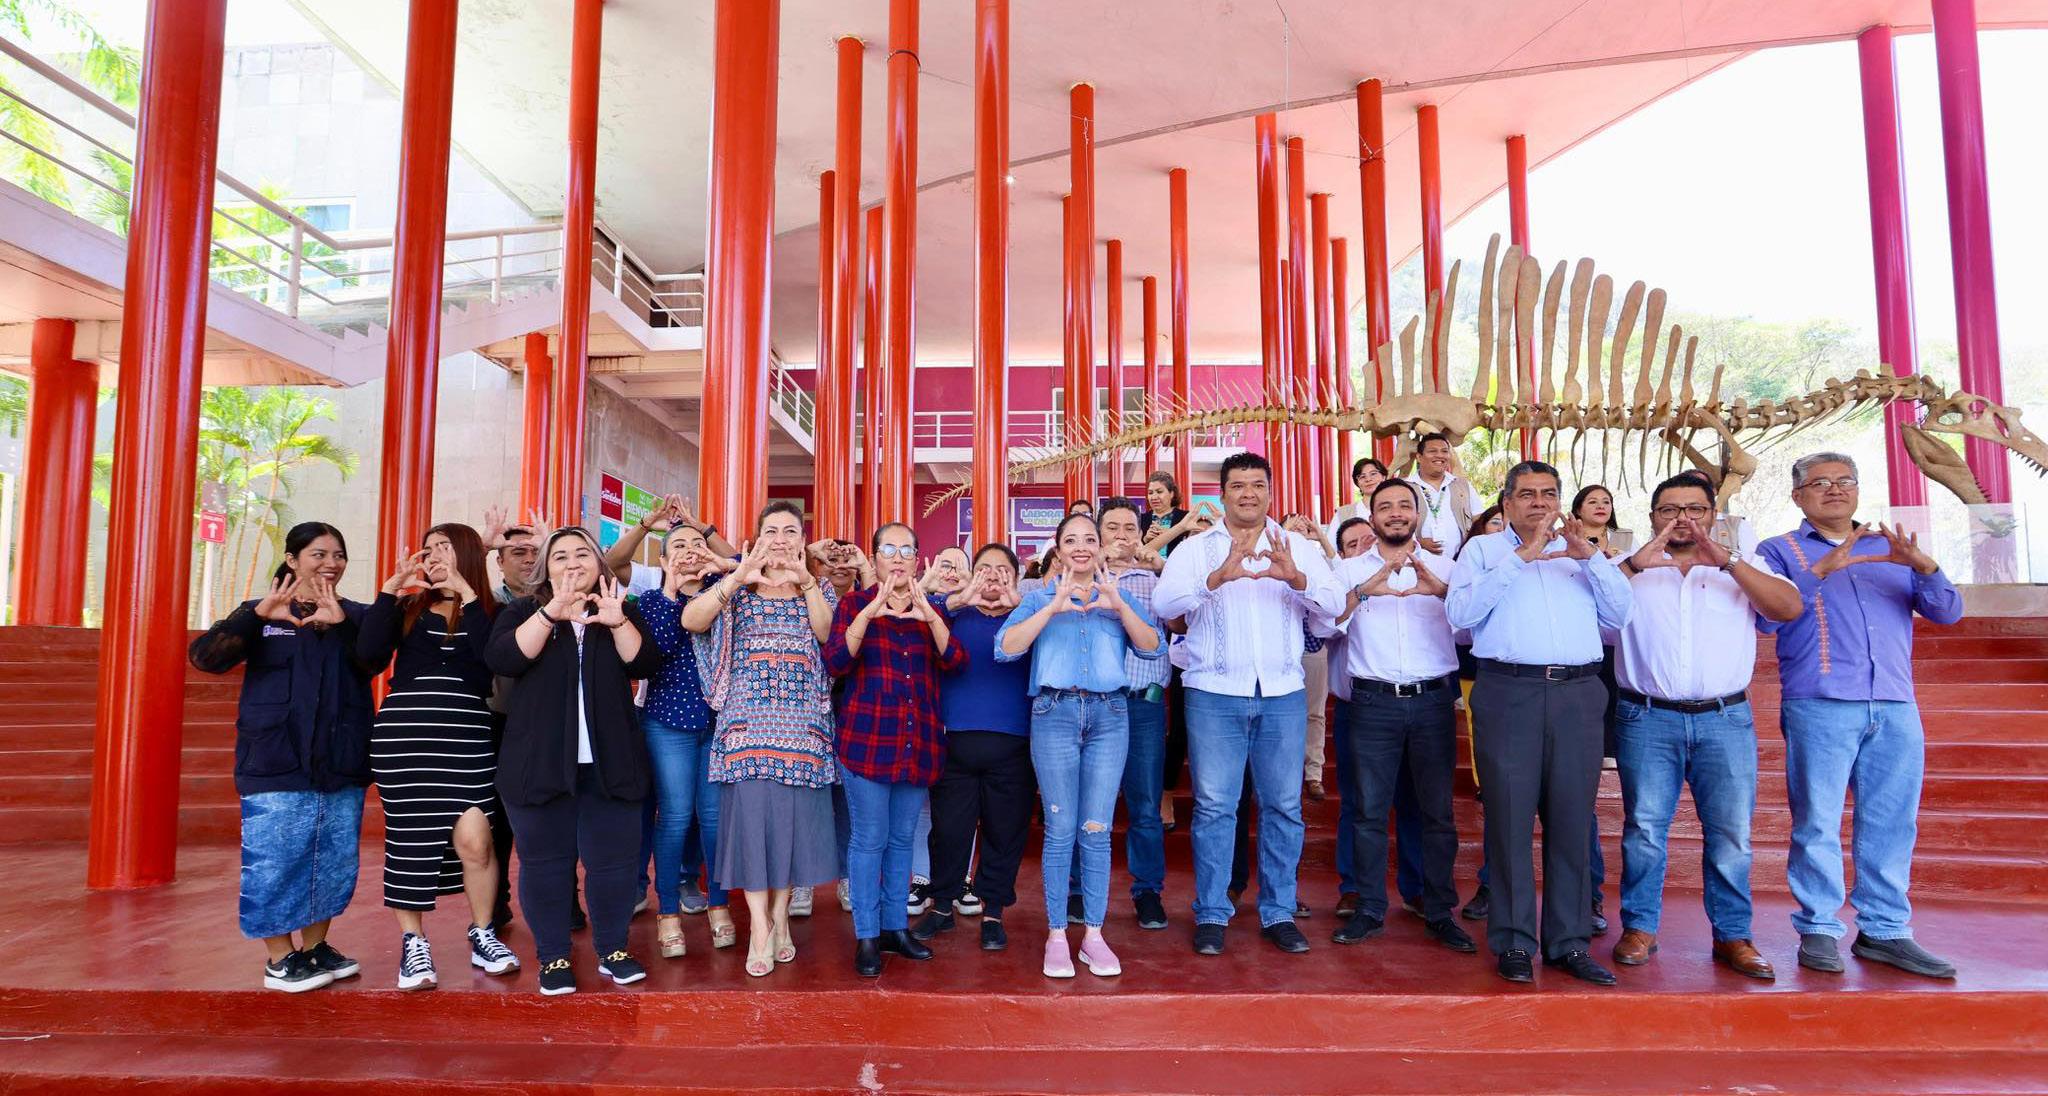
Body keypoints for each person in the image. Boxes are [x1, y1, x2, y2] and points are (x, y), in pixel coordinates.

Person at [1754, 452, 1963, 979]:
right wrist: (1821, 571)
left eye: (1845, 480)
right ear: (1798, 496)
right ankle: (1819, 928)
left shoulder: (1890, 548)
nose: (1834, 489)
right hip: (1820, 702)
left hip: (1894, 702)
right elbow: (1768, 619)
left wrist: (1924, 566)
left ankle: (1885, 931)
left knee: (1893, 821)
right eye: (1819, 482)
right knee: (1817, 820)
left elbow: (1948, 612)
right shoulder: (1778, 550)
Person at [1609, 474, 1803, 980]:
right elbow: (1585, 613)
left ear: (1713, 515)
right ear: (1652, 517)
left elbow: (1788, 608)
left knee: (1731, 833)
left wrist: (1730, 563)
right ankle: (1639, 927)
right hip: (1646, 716)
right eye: (1669, 509)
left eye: (1695, 509)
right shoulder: (1627, 568)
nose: (1683, 519)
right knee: (1644, 829)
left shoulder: (1741, 565)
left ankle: (1733, 934)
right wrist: (1632, 567)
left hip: (1724, 719)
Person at [1446, 461, 1631, 986]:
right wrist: (1520, 558)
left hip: (1578, 693)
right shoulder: (1484, 551)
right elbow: (1460, 615)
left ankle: (1569, 943)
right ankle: (1513, 941)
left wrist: (1590, 560)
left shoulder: (1584, 554)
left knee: (1572, 820)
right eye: (1526, 494)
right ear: (1506, 504)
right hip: (1509, 692)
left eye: (1548, 493)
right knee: (1509, 819)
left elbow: (1622, 616)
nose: (1539, 503)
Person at [1154, 451, 1343, 957]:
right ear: (1222, 494)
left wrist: (1296, 578)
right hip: (1214, 694)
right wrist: (1214, 578)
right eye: (1238, 485)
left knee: (1283, 806)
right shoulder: (1196, 549)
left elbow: (1335, 606)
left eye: (1257, 484)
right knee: (1215, 807)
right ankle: (1212, 912)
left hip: (1282, 693)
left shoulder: (1296, 547)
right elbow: (1164, 606)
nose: (1248, 494)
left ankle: (1278, 911)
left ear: (1269, 491)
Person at [191, 522, 371, 993]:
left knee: (332, 861)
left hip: (340, 760)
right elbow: (207, 658)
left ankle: (315, 947)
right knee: (276, 862)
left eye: (338, 554)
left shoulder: (355, 615)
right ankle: (279, 958)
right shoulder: (263, 612)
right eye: (318, 554)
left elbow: (373, 660)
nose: (331, 563)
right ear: (292, 560)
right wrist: (255, 617)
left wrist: (343, 624)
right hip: (275, 760)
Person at [486, 527, 660, 996]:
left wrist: (616, 622)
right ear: (546, 569)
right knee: (545, 863)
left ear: (599, 564)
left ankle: (613, 949)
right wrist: (551, 613)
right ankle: (553, 956)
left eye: (582, 553)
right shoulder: (523, 611)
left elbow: (644, 664)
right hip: (538, 763)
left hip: (611, 762)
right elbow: (505, 658)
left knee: (614, 864)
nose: (572, 562)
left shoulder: (621, 609)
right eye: (560, 556)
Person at [999, 512, 1164, 977]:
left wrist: (1119, 605)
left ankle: (1093, 935)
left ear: (1099, 547)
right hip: (1054, 713)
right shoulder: (1038, 597)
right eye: (1070, 540)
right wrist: (1052, 608)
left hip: (1110, 716)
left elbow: (1153, 646)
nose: (1081, 547)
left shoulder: (1118, 597)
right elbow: (1005, 647)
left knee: (1096, 829)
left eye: (1089, 539)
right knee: (1059, 828)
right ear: (1058, 549)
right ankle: (1056, 934)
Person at [682, 501, 841, 977]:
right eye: (771, 530)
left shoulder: (819, 588)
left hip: (803, 729)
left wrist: (807, 581)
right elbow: (693, 621)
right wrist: (737, 576)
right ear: (756, 538)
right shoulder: (736, 586)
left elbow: (827, 635)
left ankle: (779, 916)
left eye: (790, 531)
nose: (780, 539)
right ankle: (759, 925)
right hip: (746, 729)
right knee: (751, 831)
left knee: (788, 832)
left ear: (802, 541)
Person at [359, 523, 518, 991]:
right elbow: (368, 656)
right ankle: (414, 943)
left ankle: (483, 933)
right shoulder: (407, 608)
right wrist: (390, 591)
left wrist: (467, 593)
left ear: (467, 553)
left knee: (477, 839)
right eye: (428, 550)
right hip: (405, 738)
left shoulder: (492, 611)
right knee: (410, 839)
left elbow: (494, 659)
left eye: (443, 548)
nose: (432, 556)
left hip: (467, 737)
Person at [1327, 479, 1476, 954]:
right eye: (1385, 506)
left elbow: (1473, 630)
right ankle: (1369, 909)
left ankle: (1439, 911)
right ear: (1371, 517)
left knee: (1437, 814)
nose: (1395, 512)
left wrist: (1443, 592)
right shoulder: (1347, 569)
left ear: (1418, 514)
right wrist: (1362, 591)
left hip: (1433, 702)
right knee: (1369, 812)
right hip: (1372, 703)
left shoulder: (1447, 567)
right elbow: (1323, 625)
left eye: (1404, 505)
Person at [823, 521, 968, 977]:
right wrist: (871, 612)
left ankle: (894, 928)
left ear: (918, 560)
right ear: (874, 559)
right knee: (869, 839)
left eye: (907, 550)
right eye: (889, 549)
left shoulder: (931, 609)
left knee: (903, 839)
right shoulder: (854, 604)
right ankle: (867, 934)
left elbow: (955, 661)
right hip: (866, 742)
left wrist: (929, 616)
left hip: (917, 742)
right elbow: (836, 662)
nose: (899, 557)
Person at [914, 545, 1032, 951]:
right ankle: (942, 907)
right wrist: (958, 597)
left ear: (1016, 577)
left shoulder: (1029, 616)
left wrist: (1021, 606)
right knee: (948, 831)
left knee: (1005, 831)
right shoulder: (953, 613)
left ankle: (993, 912)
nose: (993, 576)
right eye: (983, 569)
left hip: (1014, 742)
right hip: (955, 742)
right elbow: (914, 615)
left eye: (1002, 570)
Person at [635, 525, 738, 959]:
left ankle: (719, 905)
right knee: (675, 817)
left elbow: (747, 566)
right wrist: (673, 590)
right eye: (678, 546)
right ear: (661, 561)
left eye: (697, 544)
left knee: (714, 819)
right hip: (668, 723)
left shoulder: (726, 591)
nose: (690, 551)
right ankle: (668, 912)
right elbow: (656, 651)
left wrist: (719, 563)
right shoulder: (650, 602)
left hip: (719, 722)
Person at [1097, 500, 1174, 931]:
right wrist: (1093, 564)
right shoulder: (1084, 576)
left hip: (1144, 704)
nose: (1121, 536)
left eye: (1129, 528)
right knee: (1092, 802)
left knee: (1145, 804)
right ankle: (1080, 890)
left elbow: (1181, 620)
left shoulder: (1157, 581)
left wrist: (1162, 565)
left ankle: (1147, 891)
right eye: (1112, 527)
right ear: (1099, 534)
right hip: (1096, 703)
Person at [1455, 502, 1504, 923]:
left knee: (1573, 808)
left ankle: (1586, 897)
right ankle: (1492, 884)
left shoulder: (1569, 553)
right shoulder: (1475, 557)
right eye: (1496, 522)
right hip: (1494, 678)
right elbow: (1460, 622)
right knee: (1500, 795)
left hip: (1564, 688)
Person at [1409, 433, 1482, 557]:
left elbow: (1479, 520)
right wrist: (1417, 543)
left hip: (1460, 561)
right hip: (1419, 561)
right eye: (1433, 451)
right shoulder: (1406, 488)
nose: (1440, 455)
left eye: (1444, 451)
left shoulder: (1462, 486)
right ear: (1419, 457)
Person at [1325, 457, 1389, 540]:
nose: (1368, 479)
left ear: (1383, 477)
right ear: (1357, 483)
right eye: (1362, 476)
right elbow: (1330, 544)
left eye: (1373, 474)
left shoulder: (1395, 509)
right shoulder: (1343, 514)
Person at [1572, 484, 1634, 557]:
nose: (1601, 506)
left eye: (1606, 502)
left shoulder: (1625, 537)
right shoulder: (1568, 538)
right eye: (1593, 502)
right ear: (1578, 510)